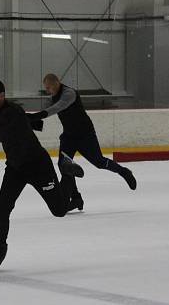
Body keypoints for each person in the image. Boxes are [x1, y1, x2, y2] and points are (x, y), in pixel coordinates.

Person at [0, 78, 85, 271]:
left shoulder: (11, 112)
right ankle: (0, 248)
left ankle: (66, 171)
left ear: (1, 96)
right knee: (3, 209)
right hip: (15, 168)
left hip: (38, 166)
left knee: (59, 210)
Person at [27, 74, 137, 211]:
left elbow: (57, 108)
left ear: (57, 83)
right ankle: (76, 198)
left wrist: (34, 116)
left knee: (99, 162)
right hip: (68, 137)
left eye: (49, 87)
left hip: (85, 135)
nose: (48, 91)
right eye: (46, 88)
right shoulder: (53, 96)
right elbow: (47, 114)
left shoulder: (69, 93)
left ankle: (124, 172)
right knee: (64, 166)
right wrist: (28, 121)